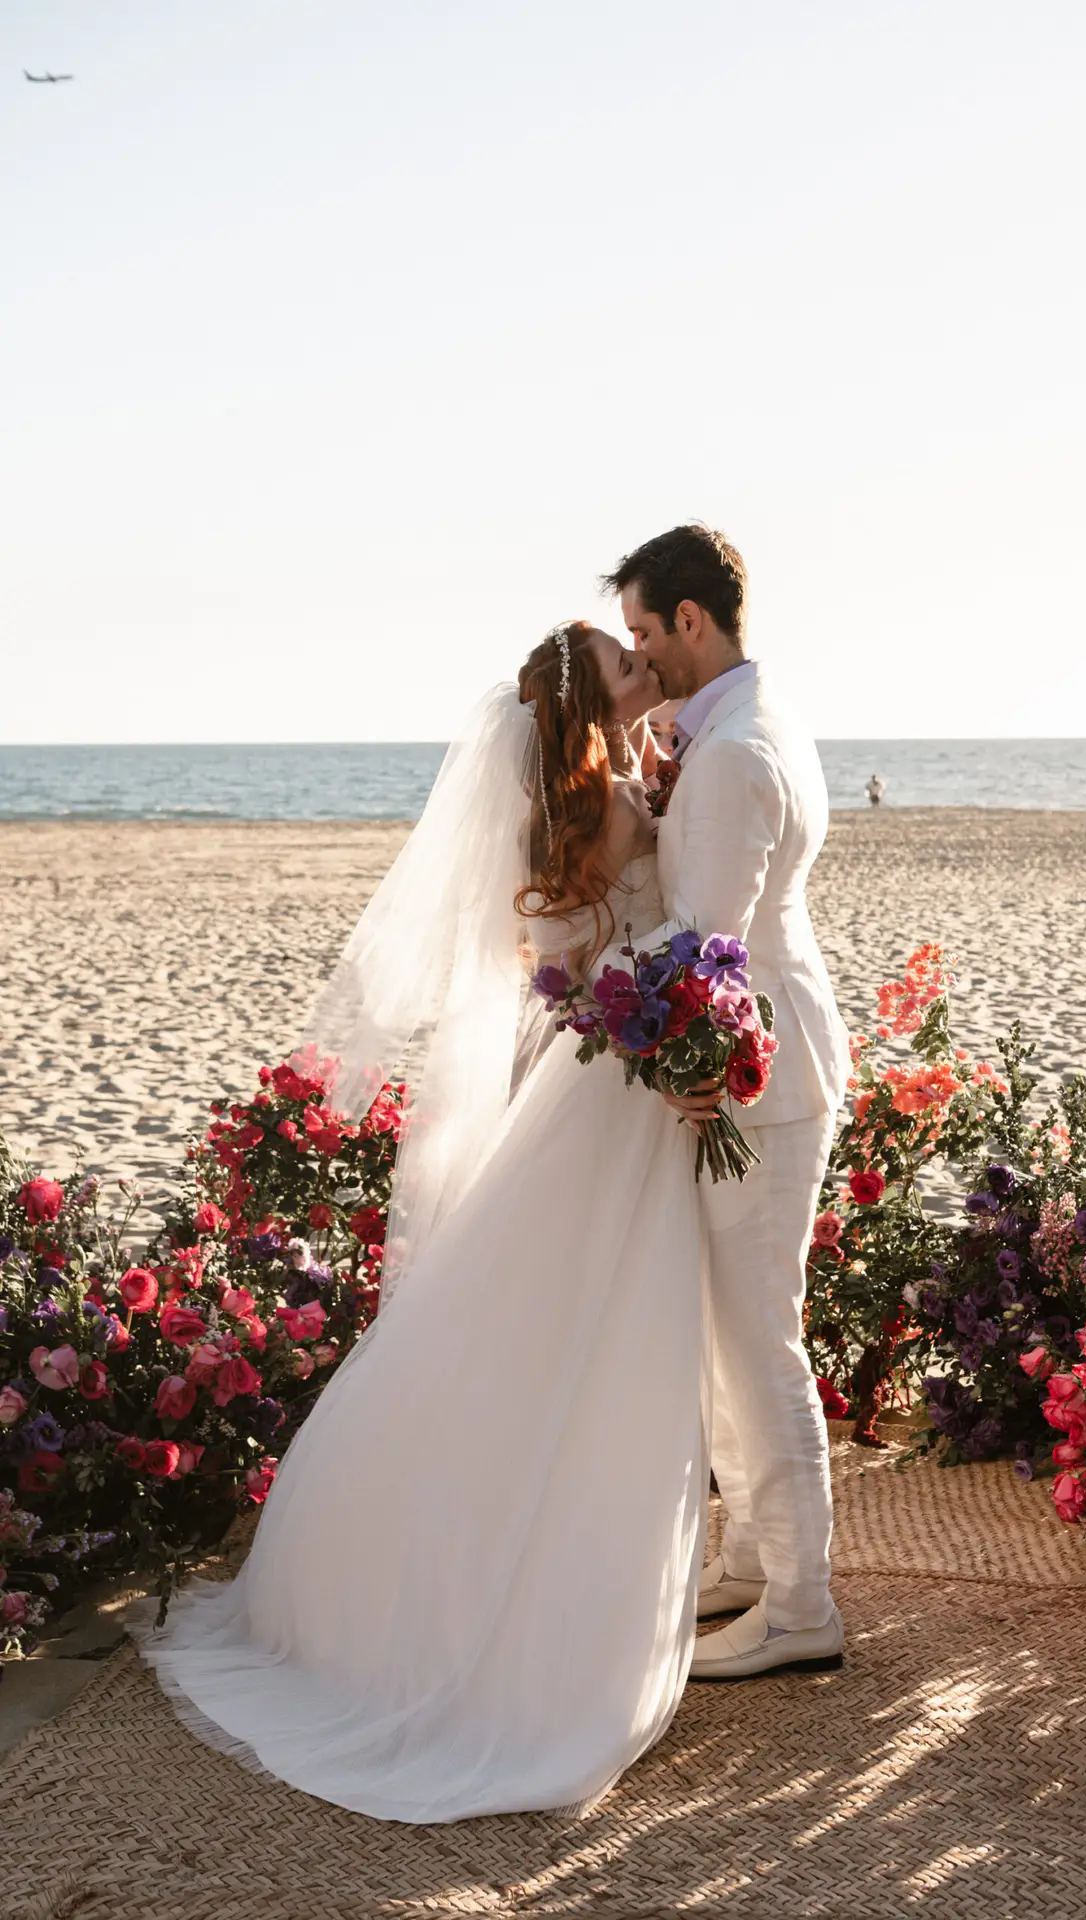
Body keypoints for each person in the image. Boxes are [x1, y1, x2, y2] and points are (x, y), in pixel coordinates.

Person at [128, 622, 710, 1823]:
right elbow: (644, 941)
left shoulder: (570, 812)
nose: (642, 673)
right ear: (587, 711)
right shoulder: (607, 816)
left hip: (574, 1086)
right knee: (593, 1333)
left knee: (522, 1331)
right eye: (625, 668)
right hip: (609, 1094)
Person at [602, 524, 848, 1681]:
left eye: (647, 631)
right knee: (726, 1333)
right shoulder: (750, 725)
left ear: (690, 621)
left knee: (758, 1341)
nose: (640, 654)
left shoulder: (737, 752)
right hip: (765, 1060)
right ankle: (751, 1560)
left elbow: (705, 949)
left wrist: (681, 1056)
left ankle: (802, 1610)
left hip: (760, 1074)